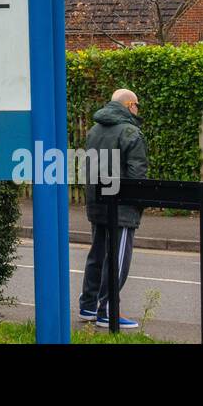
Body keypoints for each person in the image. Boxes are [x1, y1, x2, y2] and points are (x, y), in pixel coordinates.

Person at [78, 87, 148, 329]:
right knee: (117, 259)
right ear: (129, 105)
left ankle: (88, 306)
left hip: (97, 202)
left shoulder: (94, 131)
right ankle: (108, 310)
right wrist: (138, 207)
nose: (138, 110)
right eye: (137, 105)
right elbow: (136, 175)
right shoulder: (130, 132)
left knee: (97, 254)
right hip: (122, 207)